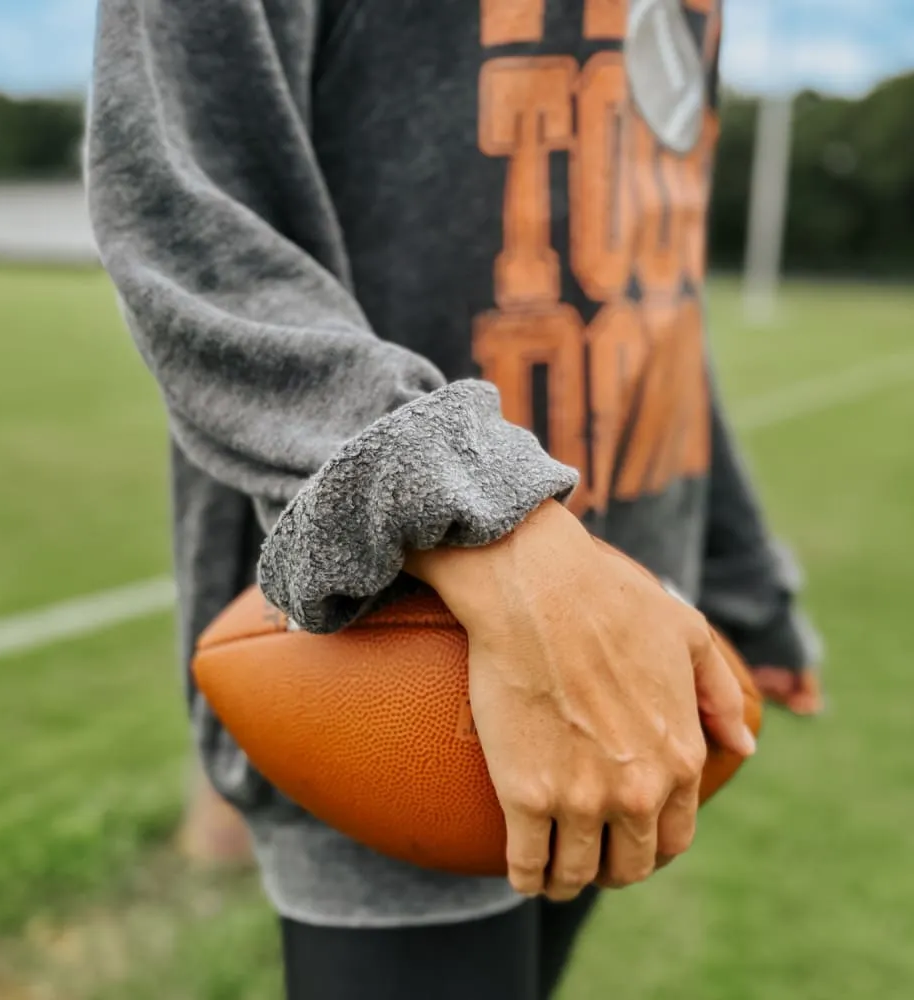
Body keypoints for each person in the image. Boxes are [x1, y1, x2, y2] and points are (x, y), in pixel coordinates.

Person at [86, 1, 822, 996]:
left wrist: (736, 573)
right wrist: (483, 519)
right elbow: (184, 209)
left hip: (633, 649)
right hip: (398, 647)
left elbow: (651, 285)